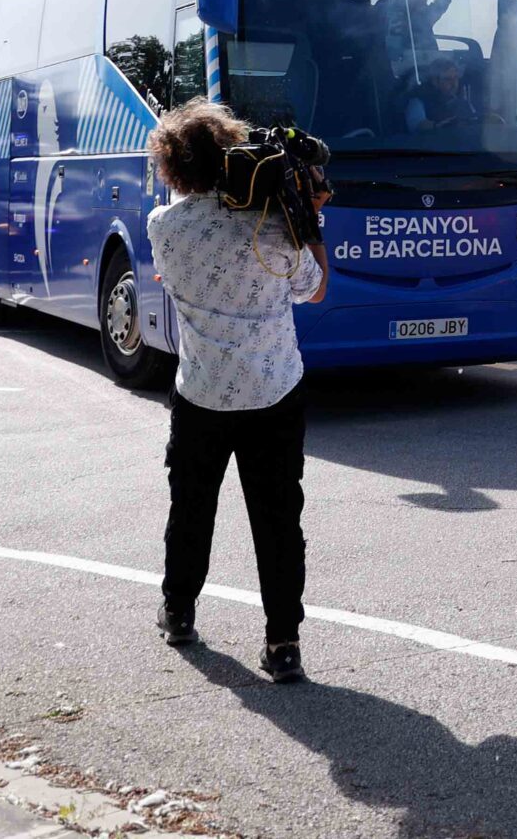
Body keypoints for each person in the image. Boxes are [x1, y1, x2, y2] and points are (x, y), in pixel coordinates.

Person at [146, 101, 328, 683]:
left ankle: (177, 613)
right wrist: (307, 220)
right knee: (278, 519)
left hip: (200, 394)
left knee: (192, 507)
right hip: (274, 391)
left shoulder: (163, 228)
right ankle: (283, 644)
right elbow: (315, 289)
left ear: (172, 168)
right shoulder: (270, 227)